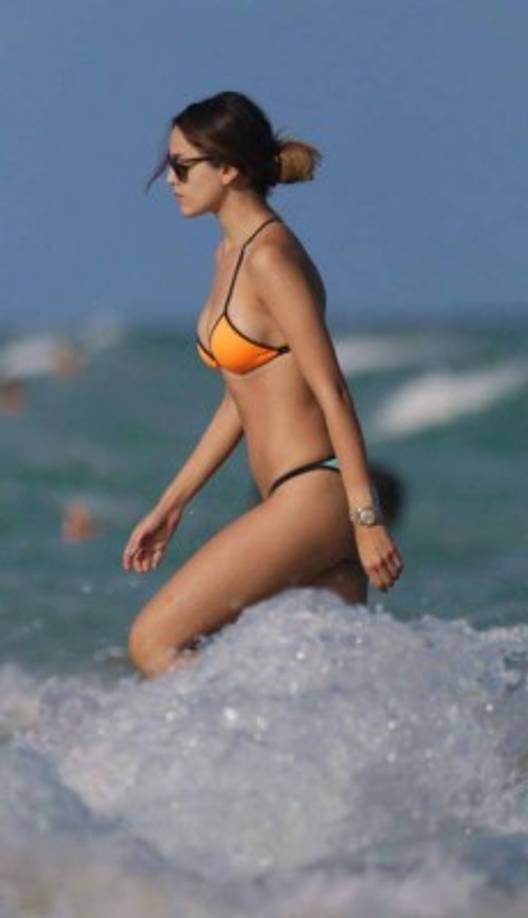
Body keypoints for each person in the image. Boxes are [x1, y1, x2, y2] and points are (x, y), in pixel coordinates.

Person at [122, 91, 404, 678]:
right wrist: (171, 506)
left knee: (153, 642)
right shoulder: (228, 254)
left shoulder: (271, 258)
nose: (170, 180)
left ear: (228, 169)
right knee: (320, 687)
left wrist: (367, 519)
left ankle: (218, 739)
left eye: (181, 166)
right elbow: (240, 399)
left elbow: (332, 390)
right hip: (292, 498)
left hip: (315, 495)